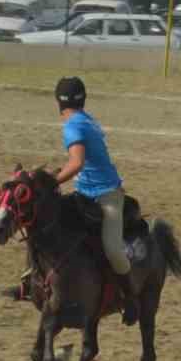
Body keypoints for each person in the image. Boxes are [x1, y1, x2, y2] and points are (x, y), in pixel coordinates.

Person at [53, 77, 139, 325]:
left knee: (113, 248)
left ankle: (130, 297)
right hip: (85, 193)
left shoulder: (73, 126)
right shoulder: (85, 119)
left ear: (58, 102)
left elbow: (77, 162)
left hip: (106, 194)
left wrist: (55, 181)